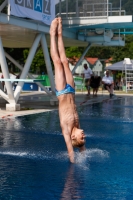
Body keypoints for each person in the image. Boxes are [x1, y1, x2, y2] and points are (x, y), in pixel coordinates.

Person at [50, 17, 86, 163]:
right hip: (71, 90)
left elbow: (71, 152)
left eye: (82, 137)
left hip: (62, 92)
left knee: (57, 62)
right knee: (65, 61)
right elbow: (82, 149)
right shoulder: (77, 126)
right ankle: (60, 32)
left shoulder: (67, 131)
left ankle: (52, 33)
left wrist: (73, 168)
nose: (84, 134)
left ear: (73, 137)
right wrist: (83, 154)